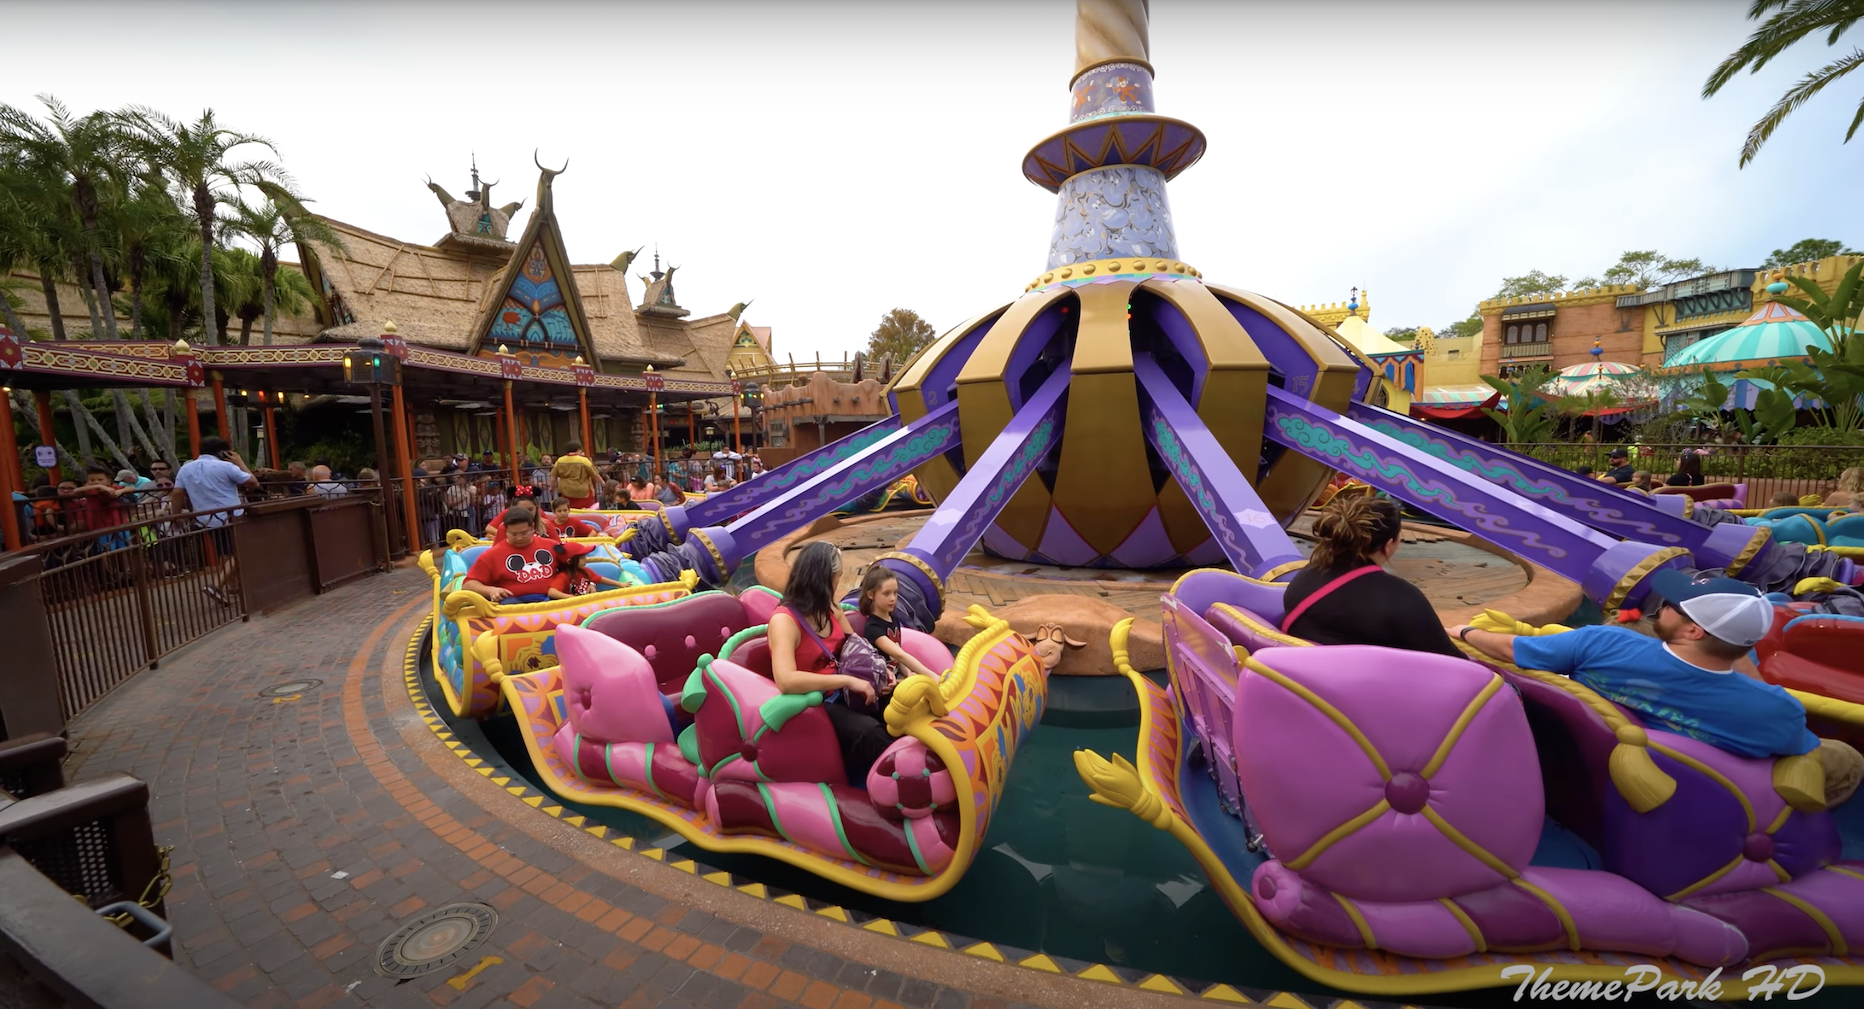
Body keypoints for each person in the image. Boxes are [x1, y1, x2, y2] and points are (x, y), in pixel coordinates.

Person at [1450, 571, 1861, 806]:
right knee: (1838, 756)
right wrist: (1738, 654)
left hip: (1596, 779)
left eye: (1673, 606)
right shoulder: (1775, 710)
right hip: (1700, 797)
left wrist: (1465, 631)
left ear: (1693, 629)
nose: (1662, 606)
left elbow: (1507, 646)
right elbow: (1792, 743)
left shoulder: (1604, 643)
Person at [1280, 495, 1464, 657]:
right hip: (1365, 689)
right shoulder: (1401, 597)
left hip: (1309, 678)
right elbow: (1453, 662)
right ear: (1388, 544)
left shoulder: (1306, 576)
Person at [767, 542, 890, 780]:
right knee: (871, 733)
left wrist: (880, 671)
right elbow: (785, 680)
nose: (838, 583)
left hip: (842, 691)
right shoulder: (784, 621)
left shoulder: (829, 609)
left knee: (899, 701)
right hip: (815, 703)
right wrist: (848, 680)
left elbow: (854, 647)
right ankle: (902, 788)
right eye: (837, 577)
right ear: (822, 578)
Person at [172, 436, 260, 605]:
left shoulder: (186, 468)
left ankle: (232, 587)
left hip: (205, 518)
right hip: (231, 516)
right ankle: (216, 586)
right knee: (240, 551)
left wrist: (175, 515)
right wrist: (240, 462)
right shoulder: (225, 466)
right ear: (223, 452)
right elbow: (253, 483)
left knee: (225, 553)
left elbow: (177, 494)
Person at [461, 508, 561, 603]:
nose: (519, 538)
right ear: (505, 530)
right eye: (514, 534)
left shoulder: (552, 546)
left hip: (551, 600)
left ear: (532, 527)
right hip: (512, 604)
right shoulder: (493, 554)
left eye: (524, 533)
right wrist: (490, 590)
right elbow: (468, 584)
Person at [857, 566, 938, 682]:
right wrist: (931, 676)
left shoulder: (892, 618)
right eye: (886, 594)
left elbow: (897, 656)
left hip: (896, 677)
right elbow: (899, 654)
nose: (893, 598)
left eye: (895, 593)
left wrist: (908, 673)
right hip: (883, 683)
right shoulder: (873, 628)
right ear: (871, 595)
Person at [546, 541, 623, 598]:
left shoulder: (585, 571)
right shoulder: (563, 576)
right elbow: (552, 592)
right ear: (569, 561)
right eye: (582, 558)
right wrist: (571, 598)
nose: (585, 560)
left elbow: (600, 579)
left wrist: (619, 584)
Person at [550, 442, 601, 511]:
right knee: (586, 510)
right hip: (582, 491)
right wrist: (603, 483)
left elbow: (553, 476)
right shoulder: (584, 460)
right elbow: (595, 474)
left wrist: (552, 487)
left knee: (568, 509)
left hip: (565, 490)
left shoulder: (560, 461)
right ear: (578, 450)